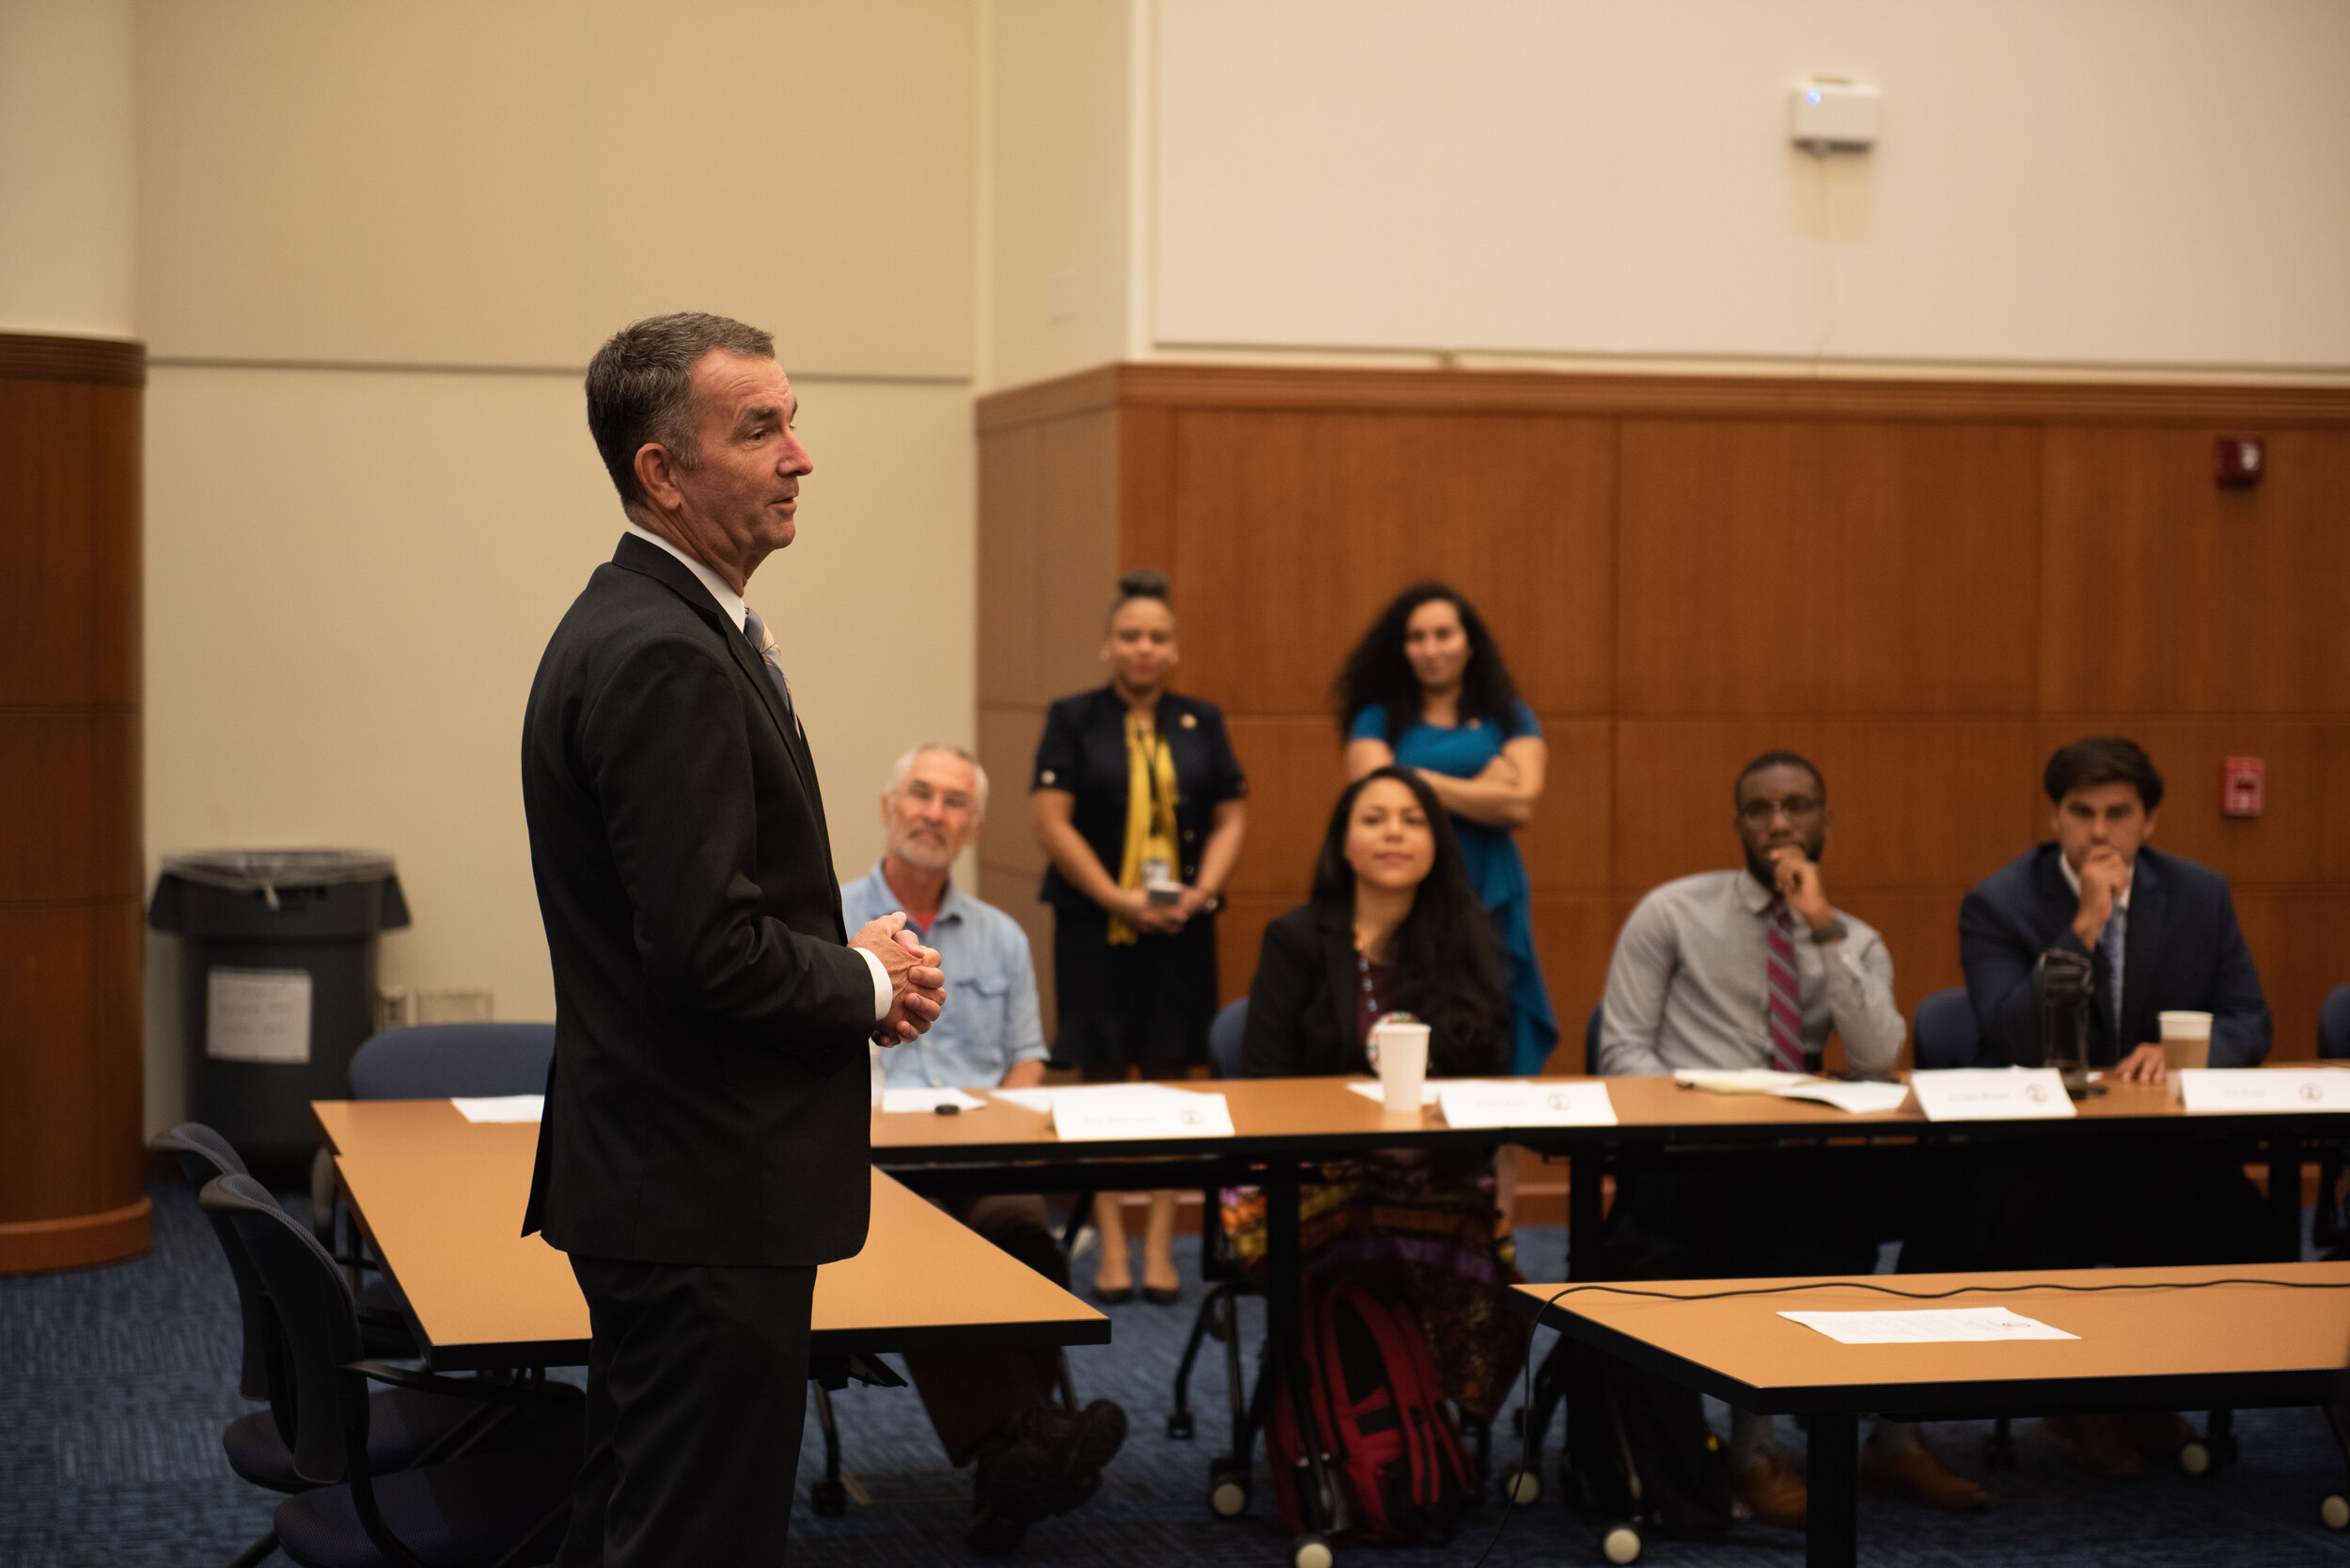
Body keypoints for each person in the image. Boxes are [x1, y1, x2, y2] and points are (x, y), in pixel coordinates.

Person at [520, 312, 946, 1567]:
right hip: (701, 1187)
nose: (799, 456)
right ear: (661, 471)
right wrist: (866, 979)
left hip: (671, 1177)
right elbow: (705, 954)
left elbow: (710, 912)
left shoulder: (660, 624)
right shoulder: (664, 653)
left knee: (642, 1520)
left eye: (792, 422)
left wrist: (833, 949)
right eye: (759, 430)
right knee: (694, 1537)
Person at [1597, 750, 1983, 1522]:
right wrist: (1698, 1115)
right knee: (1772, 1209)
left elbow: (1876, 1057)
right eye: (1760, 808)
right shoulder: (1671, 914)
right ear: (1737, 823)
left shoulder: (1855, 938)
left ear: (1825, 821)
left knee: (1961, 1193)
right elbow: (1622, 1052)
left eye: (1798, 805)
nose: (1779, 821)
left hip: (1798, 1154)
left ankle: (1891, 1434)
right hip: (1688, 1156)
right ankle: (1753, 1452)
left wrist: (1821, 928)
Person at [1955, 735, 2270, 1478]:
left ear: (2148, 822)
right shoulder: (1999, 902)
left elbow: (2250, 1020)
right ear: (2055, 817)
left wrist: (2188, 1053)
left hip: (2161, 1147)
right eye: (2082, 813)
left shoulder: (2200, 893)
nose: (2100, 832)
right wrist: (2085, 927)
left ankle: (2146, 1390)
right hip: (2045, 1153)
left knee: (2238, 1217)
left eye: (2118, 814)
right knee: (2052, 1215)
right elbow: (2012, 1035)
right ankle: (2078, 1402)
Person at [840, 743, 1128, 1552]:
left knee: (1022, 1233)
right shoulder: (829, 919)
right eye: (922, 794)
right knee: (926, 1252)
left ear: (973, 824)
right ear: (889, 806)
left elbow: (1028, 1058)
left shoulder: (1002, 936)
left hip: (981, 1153)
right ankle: (1033, 1435)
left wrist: (1005, 1124)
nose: (935, 812)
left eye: (955, 801)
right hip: (875, 1167)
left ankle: (1015, 1463)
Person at [1236, 767, 1529, 1421]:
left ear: (1437, 845)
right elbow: (1262, 1084)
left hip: (1437, 1176)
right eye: (1374, 818)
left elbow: (1490, 1078)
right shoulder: (1296, 939)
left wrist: (1422, 1141)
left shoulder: (1469, 940)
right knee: (1362, 1232)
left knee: (1478, 1249)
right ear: (1343, 843)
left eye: (1413, 818)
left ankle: (1419, 1422)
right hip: (1307, 1179)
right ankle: (1358, 1423)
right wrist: (1366, 1140)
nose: (1394, 832)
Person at [1032, 569, 1247, 1304]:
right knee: (1101, 1083)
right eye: (1131, 635)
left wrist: (1204, 891)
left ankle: (1159, 1243)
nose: (1144, 647)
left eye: (1157, 636)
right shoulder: (1072, 718)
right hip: (1097, 926)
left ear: (1174, 646)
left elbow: (1230, 816)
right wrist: (1118, 898)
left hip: (1182, 929)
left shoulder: (1202, 721)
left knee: (1166, 1083)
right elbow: (1051, 819)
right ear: (1108, 644)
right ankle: (1113, 1244)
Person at [1339, 583, 1558, 1075]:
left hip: (1490, 886)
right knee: (1417, 1020)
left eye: (1444, 634)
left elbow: (1521, 805)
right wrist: (1482, 786)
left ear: (1470, 642)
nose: (1431, 649)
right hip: (1406, 891)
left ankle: (1495, 1151)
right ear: (1402, 648)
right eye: (1417, 637)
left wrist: (1415, 780)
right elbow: (1374, 793)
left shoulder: (1509, 715)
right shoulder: (1377, 718)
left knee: (1494, 1024)